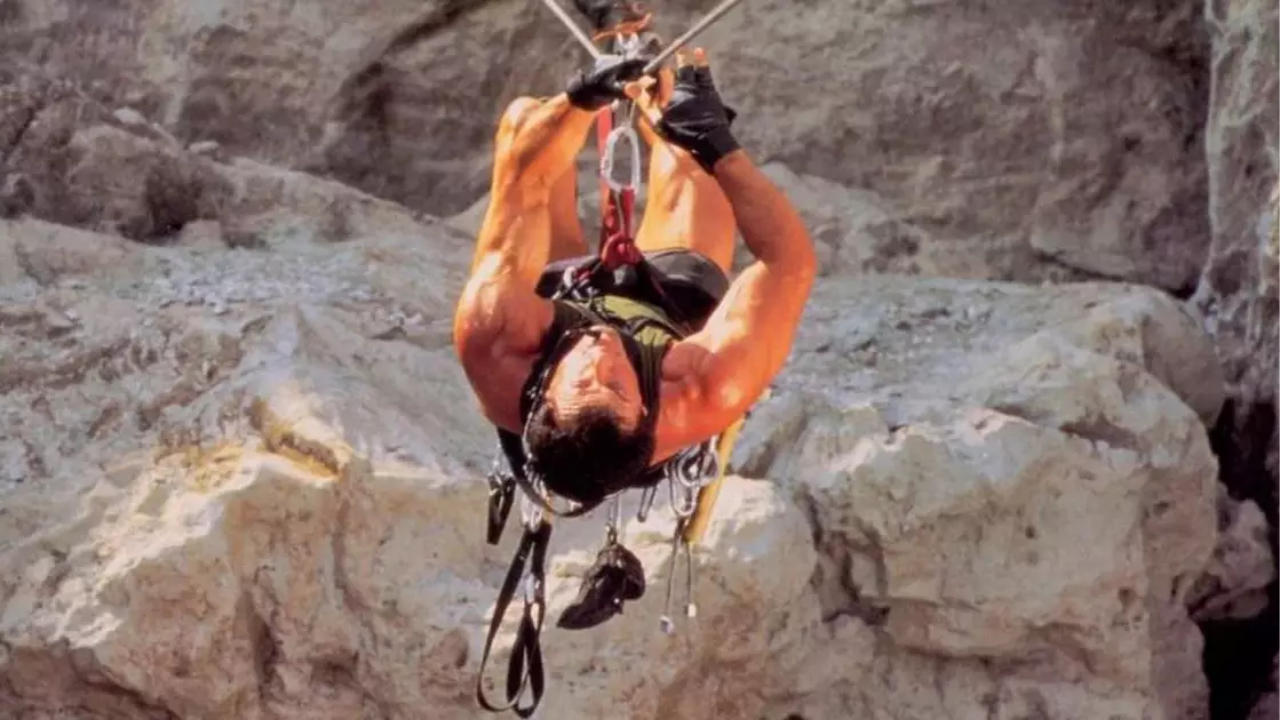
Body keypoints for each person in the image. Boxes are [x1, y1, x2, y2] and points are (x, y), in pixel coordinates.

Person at [452, 36, 816, 509]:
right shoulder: (701, 389)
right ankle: (649, 74)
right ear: (644, 407)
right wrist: (716, 144)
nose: (601, 357)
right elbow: (789, 263)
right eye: (616, 386)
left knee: (526, 119)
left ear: (544, 397)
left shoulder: (497, 341)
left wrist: (582, 97)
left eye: (584, 383)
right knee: (688, 157)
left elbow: (524, 177)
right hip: (669, 314)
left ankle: (615, 50)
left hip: (558, 309)